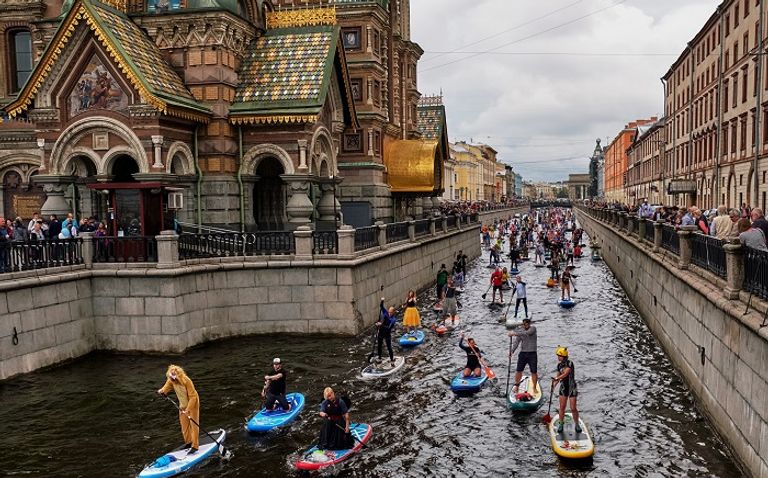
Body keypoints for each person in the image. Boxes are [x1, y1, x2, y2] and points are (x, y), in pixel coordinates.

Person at [156, 365, 200, 454]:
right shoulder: (171, 379)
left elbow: (193, 397)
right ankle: (189, 442)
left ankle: (195, 446)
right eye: (171, 377)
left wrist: (188, 409)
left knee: (194, 425)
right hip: (182, 405)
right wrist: (162, 391)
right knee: (184, 425)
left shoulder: (187, 381)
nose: (173, 379)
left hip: (192, 404)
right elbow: (166, 387)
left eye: (174, 377)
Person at [552, 347, 580, 434]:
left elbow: (565, 374)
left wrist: (557, 378)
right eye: (558, 356)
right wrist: (553, 384)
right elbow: (558, 376)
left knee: (573, 408)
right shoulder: (559, 365)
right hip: (564, 388)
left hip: (572, 387)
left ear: (564, 356)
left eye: (559, 356)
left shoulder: (570, 363)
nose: (558, 357)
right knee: (562, 407)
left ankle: (577, 424)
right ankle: (561, 424)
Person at [508, 317, 537, 394]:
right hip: (523, 353)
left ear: (529, 324)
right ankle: (517, 386)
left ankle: (534, 387)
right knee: (518, 370)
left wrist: (514, 333)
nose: (525, 326)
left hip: (532, 353)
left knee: (533, 371)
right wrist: (512, 351)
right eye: (524, 325)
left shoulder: (533, 329)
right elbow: (517, 342)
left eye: (526, 324)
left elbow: (527, 333)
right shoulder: (521, 331)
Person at [376, 298, 397, 366]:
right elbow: (381, 306)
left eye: (391, 312)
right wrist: (382, 300)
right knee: (379, 345)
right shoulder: (386, 312)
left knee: (389, 347)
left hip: (387, 334)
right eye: (389, 311)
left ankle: (392, 360)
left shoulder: (393, 319)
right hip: (381, 332)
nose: (389, 313)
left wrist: (381, 324)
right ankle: (379, 358)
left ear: (393, 312)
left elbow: (389, 328)